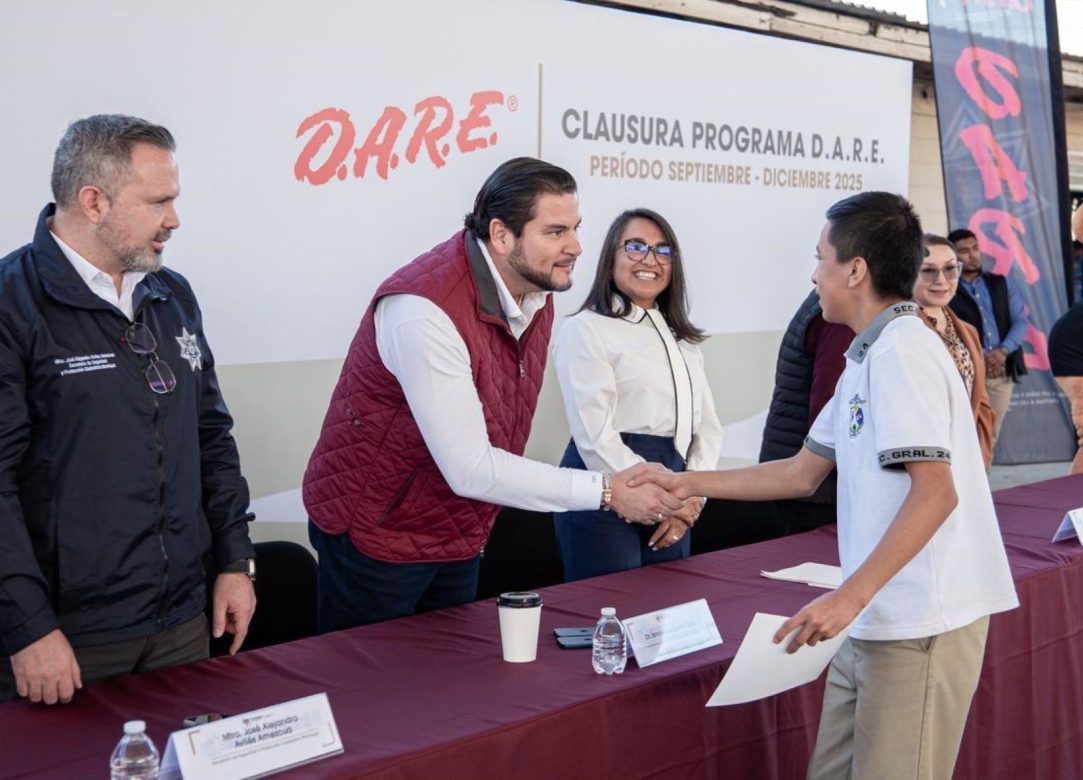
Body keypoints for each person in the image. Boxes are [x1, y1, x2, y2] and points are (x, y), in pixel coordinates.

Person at [631, 192, 1018, 779]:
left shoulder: (904, 355)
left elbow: (936, 492)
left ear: (855, 269)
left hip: (919, 620)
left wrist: (848, 596)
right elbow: (800, 471)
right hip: (871, 616)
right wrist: (684, 481)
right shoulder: (868, 356)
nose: (814, 274)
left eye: (821, 259)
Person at [302, 158, 682, 633]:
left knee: (451, 690)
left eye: (576, 229)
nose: (576, 248)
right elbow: (471, 468)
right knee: (370, 697)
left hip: (459, 529)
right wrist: (607, 491)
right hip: (379, 535)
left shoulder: (539, 287)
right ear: (501, 235)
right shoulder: (423, 311)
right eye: (556, 232)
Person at [0, 115, 257, 705]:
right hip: (69, 636)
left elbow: (211, 436)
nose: (174, 219)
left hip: (181, 622)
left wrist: (234, 559)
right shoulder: (14, 305)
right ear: (93, 201)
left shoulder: (171, 294)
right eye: (158, 201)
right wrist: (28, 626)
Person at [552, 208, 721, 581]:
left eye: (663, 251)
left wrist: (692, 496)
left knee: (666, 616)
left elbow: (707, 430)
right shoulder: (587, 329)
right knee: (609, 621)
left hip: (674, 492)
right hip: (605, 488)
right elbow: (594, 436)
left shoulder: (684, 341)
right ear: (611, 256)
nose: (650, 260)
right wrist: (655, 493)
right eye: (636, 247)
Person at [759, 290, 854, 534]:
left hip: (811, 481)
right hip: (819, 488)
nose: (814, 275)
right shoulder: (840, 317)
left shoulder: (839, 308)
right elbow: (832, 410)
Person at [915, 234, 995, 468]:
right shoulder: (898, 329)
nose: (941, 280)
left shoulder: (968, 332)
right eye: (928, 270)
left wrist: (980, 454)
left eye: (950, 269)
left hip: (966, 460)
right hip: (920, 463)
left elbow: (981, 403)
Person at [947, 228, 1029, 447]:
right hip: (966, 373)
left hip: (999, 371)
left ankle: (982, 481)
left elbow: (1020, 321)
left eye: (975, 248)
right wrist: (982, 357)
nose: (972, 255)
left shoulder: (1001, 283)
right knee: (964, 436)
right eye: (964, 251)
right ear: (953, 257)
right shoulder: (947, 290)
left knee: (990, 435)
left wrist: (1002, 351)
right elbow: (948, 332)